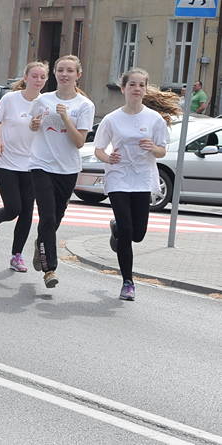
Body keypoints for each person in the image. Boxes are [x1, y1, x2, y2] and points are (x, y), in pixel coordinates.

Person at [94, 69, 179, 300]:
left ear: (145, 89)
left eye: (141, 85)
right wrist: (107, 158)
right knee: (128, 229)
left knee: (138, 234)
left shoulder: (154, 119)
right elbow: (99, 149)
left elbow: (162, 151)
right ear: (123, 88)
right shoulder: (112, 119)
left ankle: (117, 228)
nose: (137, 89)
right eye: (132, 84)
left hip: (142, 177)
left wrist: (153, 148)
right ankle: (128, 282)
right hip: (119, 176)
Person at [28, 55, 94, 288]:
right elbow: (33, 125)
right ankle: (50, 269)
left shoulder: (84, 105)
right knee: (46, 216)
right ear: (55, 73)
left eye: (69, 71)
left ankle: (41, 244)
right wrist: (34, 124)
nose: (64, 74)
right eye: (60, 70)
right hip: (41, 164)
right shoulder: (42, 100)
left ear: (78, 75)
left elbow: (78, 142)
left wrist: (66, 117)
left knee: (55, 219)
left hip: (67, 169)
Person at [0, 62, 49, 273]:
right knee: (13, 208)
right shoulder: (11, 99)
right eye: (34, 76)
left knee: (27, 211)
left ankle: (16, 255)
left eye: (42, 77)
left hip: (32, 163)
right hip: (7, 160)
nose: (38, 80)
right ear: (26, 77)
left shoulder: (46, 103)